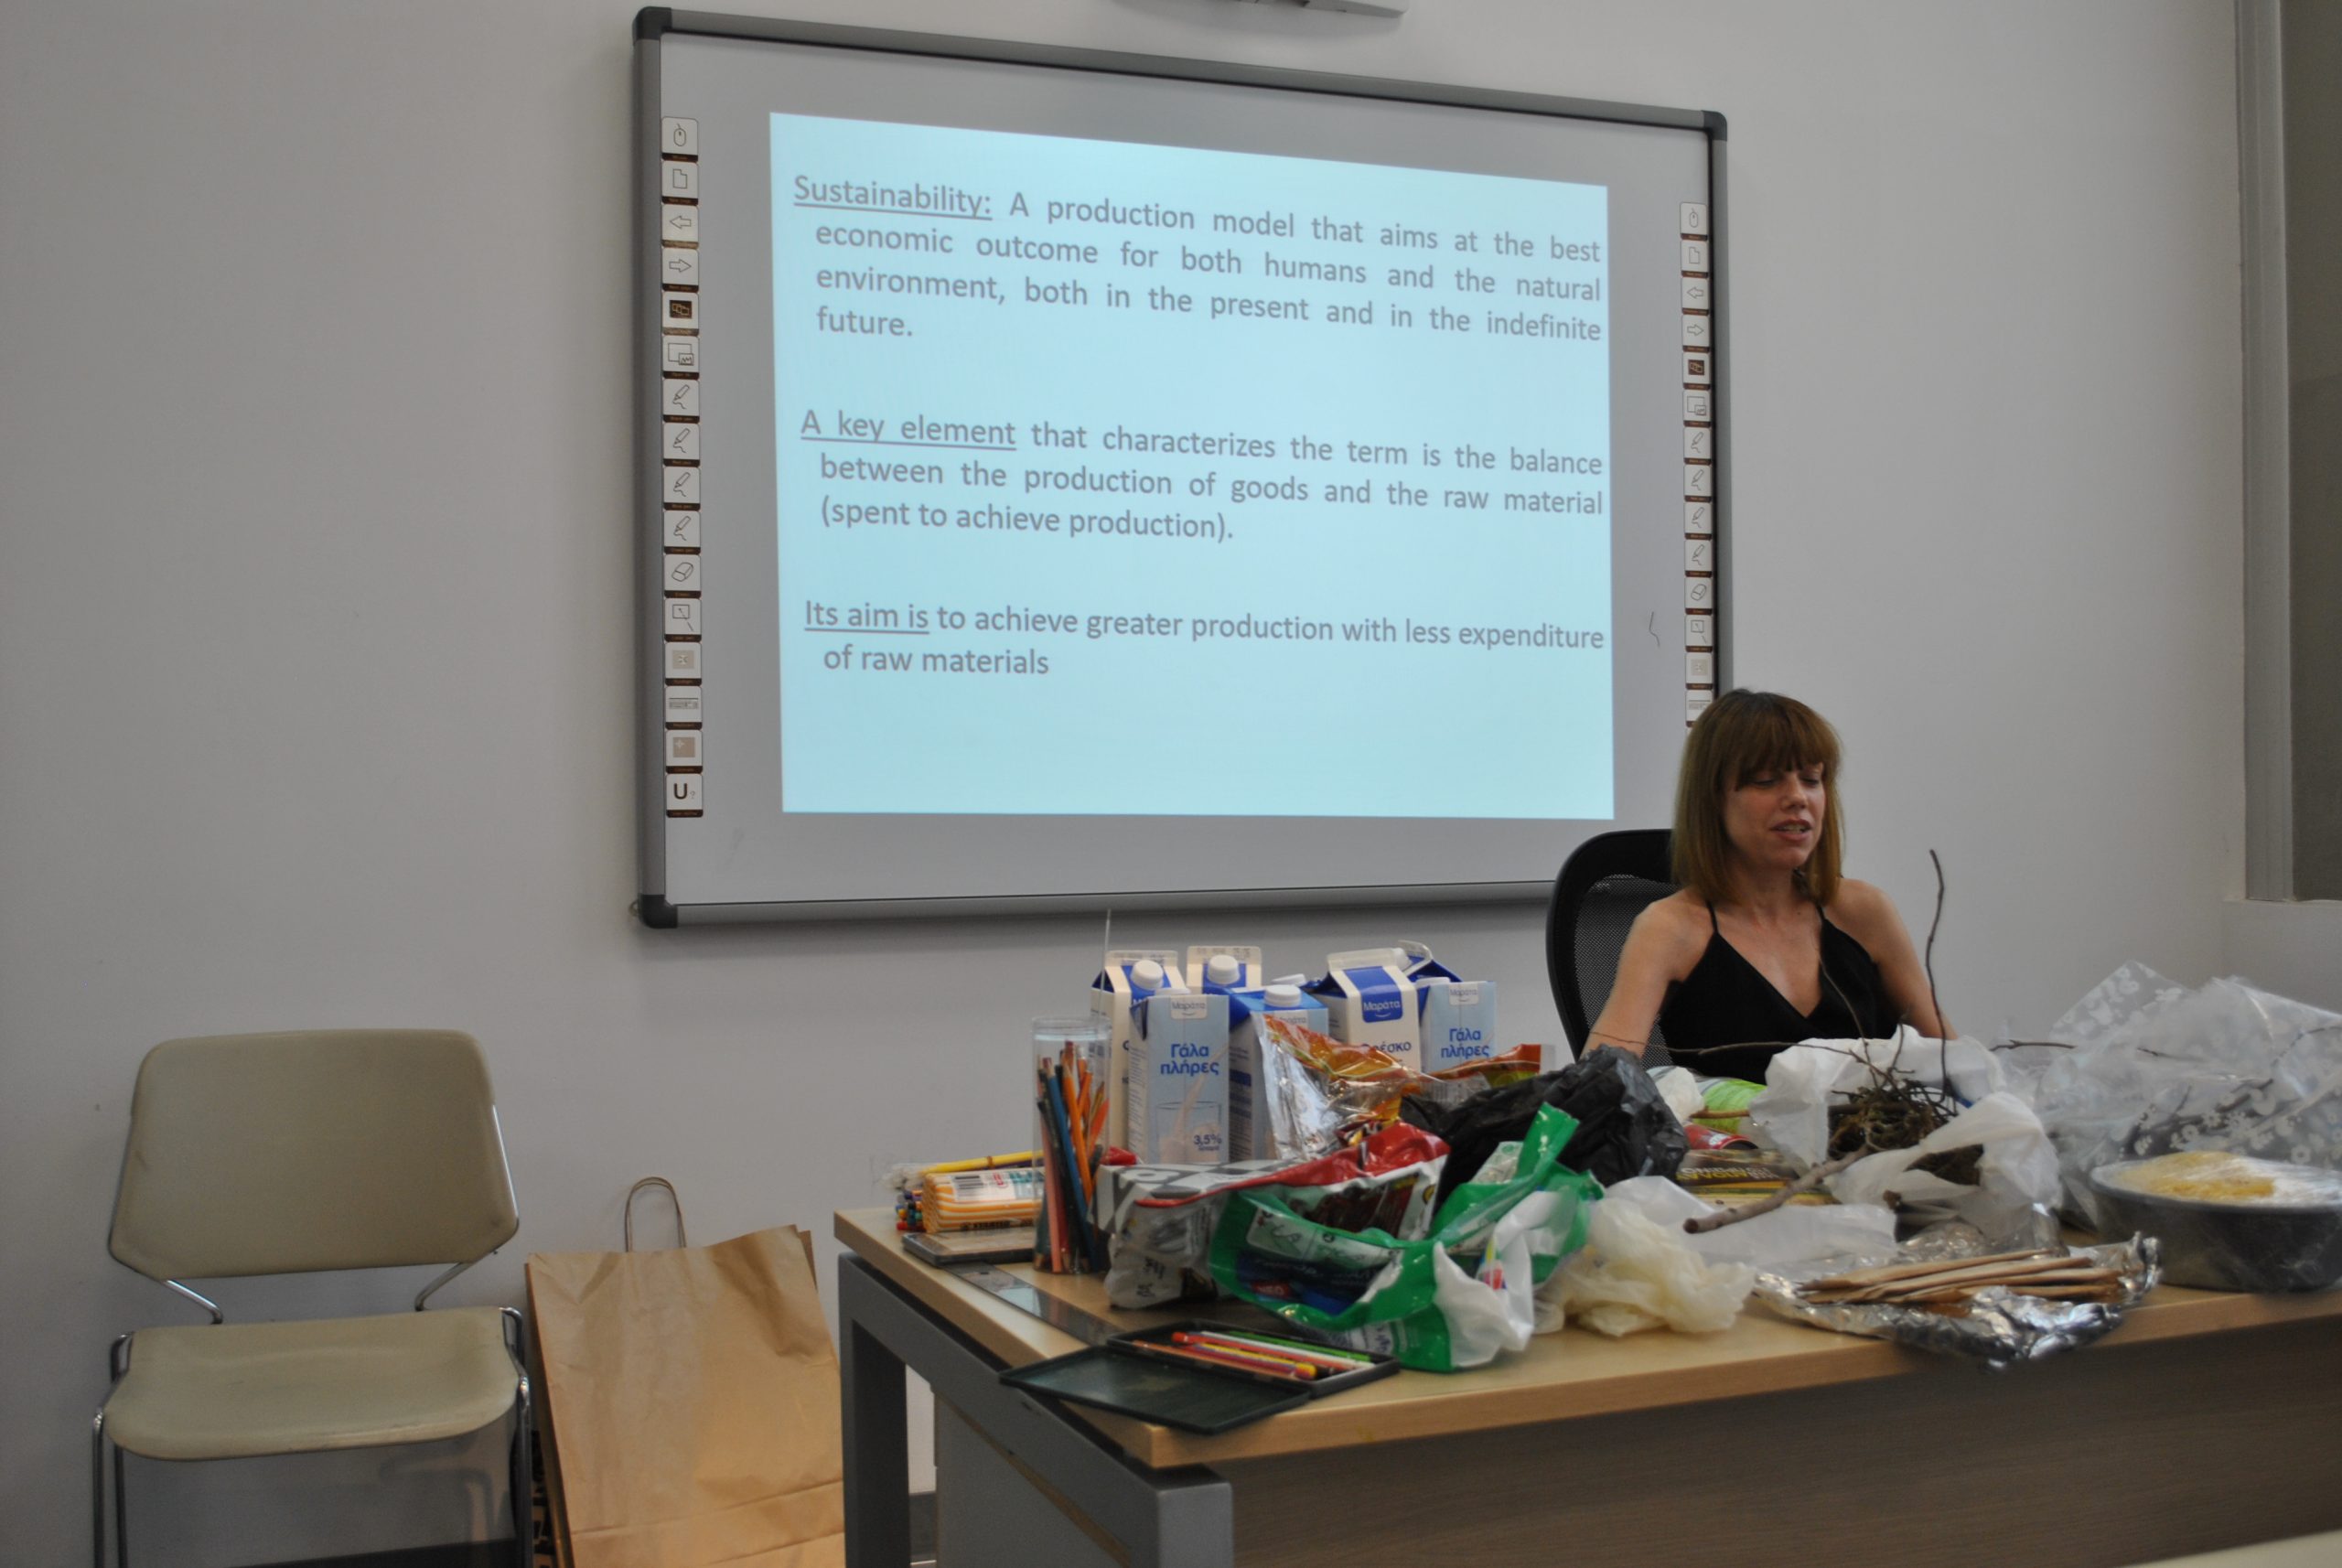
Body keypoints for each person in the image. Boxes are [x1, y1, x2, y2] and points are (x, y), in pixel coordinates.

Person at [1587, 689, 1947, 1081]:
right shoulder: (1669, 928)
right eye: (1766, 780)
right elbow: (1596, 1083)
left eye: (1811, 779)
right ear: (1713, 799)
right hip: (1731, 1124)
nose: (1797, 797)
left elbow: (1952, 1065)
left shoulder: (1864, 911)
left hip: (1869, 1124)